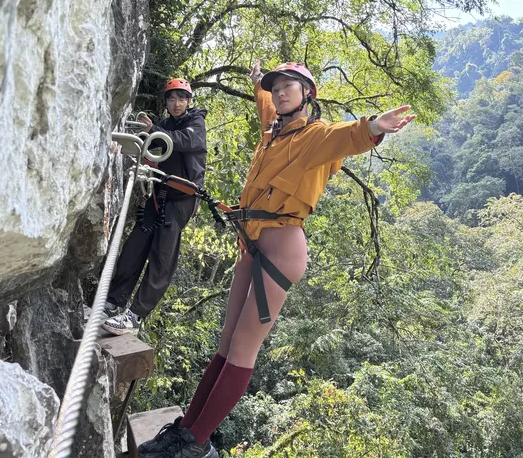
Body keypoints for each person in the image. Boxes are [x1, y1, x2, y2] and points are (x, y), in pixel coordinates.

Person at [138, 60, 415, 458]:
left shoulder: (315, 136)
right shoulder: (274, 130)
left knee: (243, 348)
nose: (281, 92)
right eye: (277, 87)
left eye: (291, 86)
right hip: (252, 244)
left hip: (281, 249)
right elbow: (266, 104)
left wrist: (373, 126)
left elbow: (346, 136)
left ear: (307, 95)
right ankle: (184, 431)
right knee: (226, 344)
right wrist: (257, 82)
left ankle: (196, 443)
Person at [101, 78, 207, 335]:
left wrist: (154, 130)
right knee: (134, 247)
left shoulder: (196, 123)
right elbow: (154, 145)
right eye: (172, 98)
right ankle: (113, 301)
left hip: (181, 199)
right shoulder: (167, 124)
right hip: (158, 194)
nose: (176, 103)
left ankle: (135, 316)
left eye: (181, 98)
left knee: (161, 257)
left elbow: (182, 141)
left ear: (189, 101)